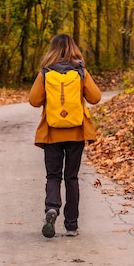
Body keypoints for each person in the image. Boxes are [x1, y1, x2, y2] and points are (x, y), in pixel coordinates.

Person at [29, 33, 102, 238]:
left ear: (52, 50)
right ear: (73, 49)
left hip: (52, 134)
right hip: (76, 133)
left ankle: (51, 209)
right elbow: (96, 97)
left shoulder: (45, 73)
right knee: (71, 178)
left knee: (53, 176)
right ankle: (71, 225)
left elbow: (34, 100)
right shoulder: (80, 72)